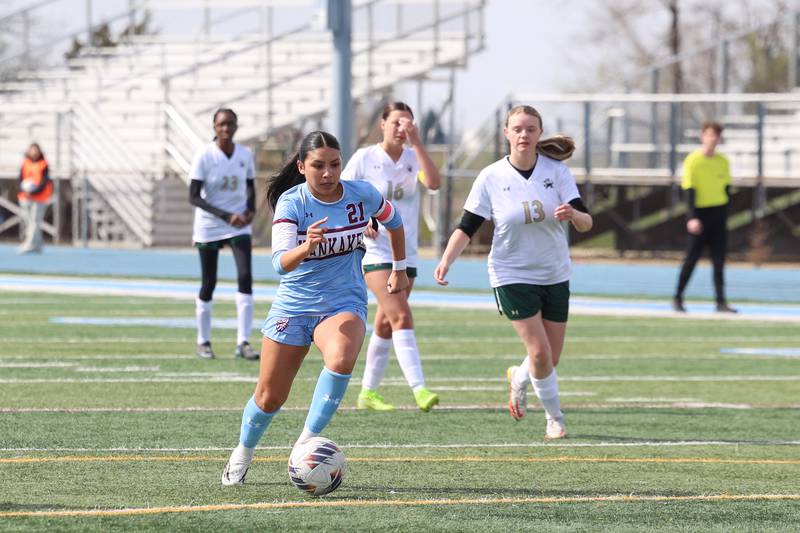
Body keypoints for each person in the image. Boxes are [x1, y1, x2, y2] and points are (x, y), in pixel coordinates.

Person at [221, 130, 408, 485]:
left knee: (340, 358)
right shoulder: (293, 203)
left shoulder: (362, 195)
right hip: (293, 306)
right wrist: (307, 247)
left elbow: (395, 222)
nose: (328, 173)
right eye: (318, 166)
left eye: (335, 165)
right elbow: (280, 263)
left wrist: (399, 269)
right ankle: (242, 453)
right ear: (302, 167)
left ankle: (306, 442)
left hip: (343, 302)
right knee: (269, 396)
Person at [433, 105, 592, 439]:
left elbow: (587, 220)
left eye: (531, 129)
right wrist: (446, 260)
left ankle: (519, 377)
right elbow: (467, 226)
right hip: (511, 272)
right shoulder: (491, 177)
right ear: (506, 133)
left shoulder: (556, 172)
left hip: (554, 271)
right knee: (539, 352)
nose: (524, 135)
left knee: (551, 356)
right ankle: (555, 418)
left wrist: (573, 216)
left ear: (538, 133)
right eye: (517, 129)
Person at [341, 102, 441, 412]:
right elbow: (341, 194)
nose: (402, 128)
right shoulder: (365, 158)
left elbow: (434, 183)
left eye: (408, 123)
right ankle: (420, 389)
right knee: (401, 315)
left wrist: (419, 143)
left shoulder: (413, 157)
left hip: (407, 252)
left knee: (386, 323)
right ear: (382, 124)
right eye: (396, 122)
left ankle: (367, 393)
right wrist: (362, 221)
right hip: (375, 251)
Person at [189, 108, 259, 360]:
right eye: (221, 124)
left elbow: (251, 187)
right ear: (214, 127)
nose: (226, 128)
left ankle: (243, 342)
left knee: (245, 275)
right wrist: (225, 215)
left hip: (239, 224)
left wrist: (250, 211)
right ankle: (203, 341)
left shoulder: (244, 154)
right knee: (209, 282)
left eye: (230, 124)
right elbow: (194, 196)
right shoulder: (204, 155)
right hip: (210, 224)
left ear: (236, 126)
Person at [673, 121, 736, 313]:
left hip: (718, 214)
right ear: (703, 136)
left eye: (716, 135)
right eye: (709, 134)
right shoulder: (693, 160)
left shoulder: (723, 161)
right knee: (691, 259)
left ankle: (720, 302)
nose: (712, 139)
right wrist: (692, 217)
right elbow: (689, 191)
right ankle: (678, 297)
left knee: (719, 261)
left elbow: (726, 189)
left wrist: (724, 214)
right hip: (700, 215)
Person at [17, 143, 52, 254]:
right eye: (32, 150)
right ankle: (38, 244)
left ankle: (29, 244)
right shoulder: (25, 163)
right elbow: (20, 179)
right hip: (25, 197)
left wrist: (34, 191)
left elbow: (44, 181)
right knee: (29, 221)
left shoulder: (43, 164)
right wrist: (25, 190)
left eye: (35, 150)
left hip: (39, 197)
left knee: (35, 221)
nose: (34, 152)